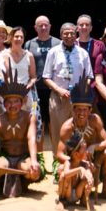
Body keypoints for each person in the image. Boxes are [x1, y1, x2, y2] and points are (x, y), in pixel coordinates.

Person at [42, 22, 93, 162]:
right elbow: (46, 77)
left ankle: (78, 160)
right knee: (58, 130)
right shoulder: (53, 52)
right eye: (66, 33)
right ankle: (58, 161)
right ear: (61, 35)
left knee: (79, 129)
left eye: (72, 33)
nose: (69, 36)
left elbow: (89, 76)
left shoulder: (83, 53)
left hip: (78, 100)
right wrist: (59, 90)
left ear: (76, 35)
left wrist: (82, 91)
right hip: (58, 97)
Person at [0, 73, 41, 198]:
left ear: (22, 103)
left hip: (23, 158)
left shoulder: (29, 117)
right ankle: (1, 181)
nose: (13, 105)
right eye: (9, 102)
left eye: (16, 101)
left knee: (33, 172)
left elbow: (31, 138)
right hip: (5, 158)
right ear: (4, 104)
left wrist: (33, 160)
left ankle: (23, 181)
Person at [56, 81, 106, 199]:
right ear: (73, 110)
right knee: (61, 169)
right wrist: (78, 160)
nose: (81, 113)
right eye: (78, 109)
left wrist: (93, 147)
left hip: (93, 156)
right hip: (75, 160)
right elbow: (59, 154)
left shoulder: (95, 120)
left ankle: (105, 190)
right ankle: (64, 197)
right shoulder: (67, 128)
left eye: (85, 110)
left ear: (90, 110)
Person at [2, 26, 40, 143]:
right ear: (11, 38)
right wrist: (14, 94)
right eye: (16, 36)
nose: (19, 39)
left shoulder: (29, 55)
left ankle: (29, 148)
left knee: (30, 120)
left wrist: (26, 90)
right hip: (9, 95)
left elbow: (33, 77)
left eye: (21, 37)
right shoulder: (4, 54)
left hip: (27, 94)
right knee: (10, 122)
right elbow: (4, 77)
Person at [26, 15, 57, 141]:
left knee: (53, 120)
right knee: (37, 120)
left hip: (53, 89)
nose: (43, 27)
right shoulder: (29, 44)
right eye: (40, 25)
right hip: (35, 90)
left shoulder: (58, 43)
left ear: (50, 26)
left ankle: (56, 150)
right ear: (35, 28)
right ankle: (38, 150)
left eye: (46, 25)